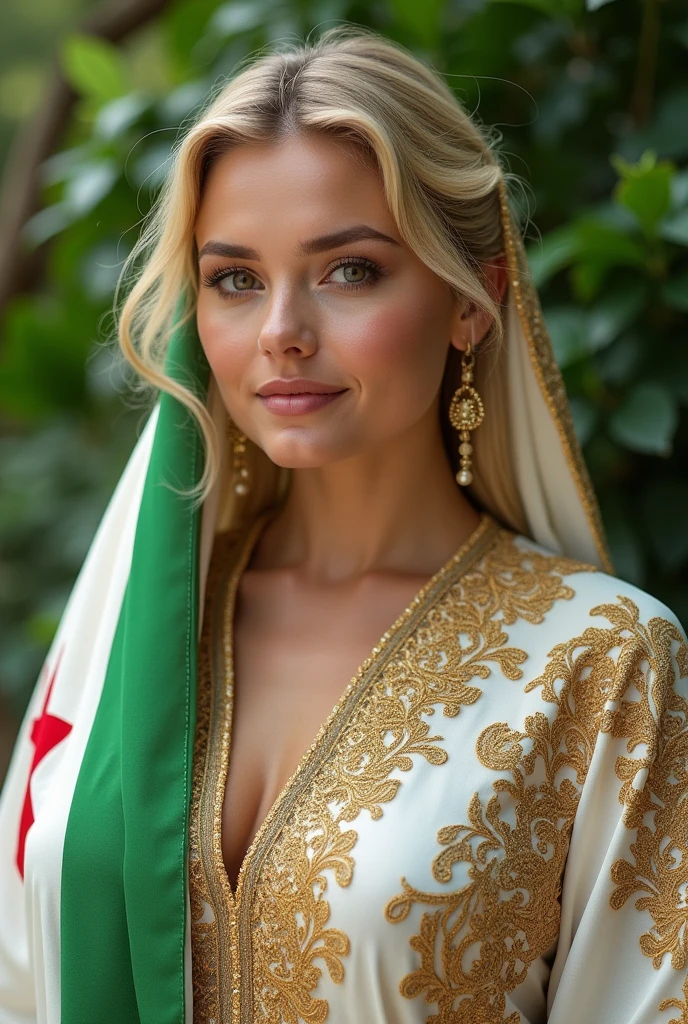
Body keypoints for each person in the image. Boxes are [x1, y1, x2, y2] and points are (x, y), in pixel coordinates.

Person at [1, 26, 686, 1024]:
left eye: (349, 270)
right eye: (235, 278)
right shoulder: (137, 624)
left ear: (471, 300)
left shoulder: (600, 666)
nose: (282, 328)